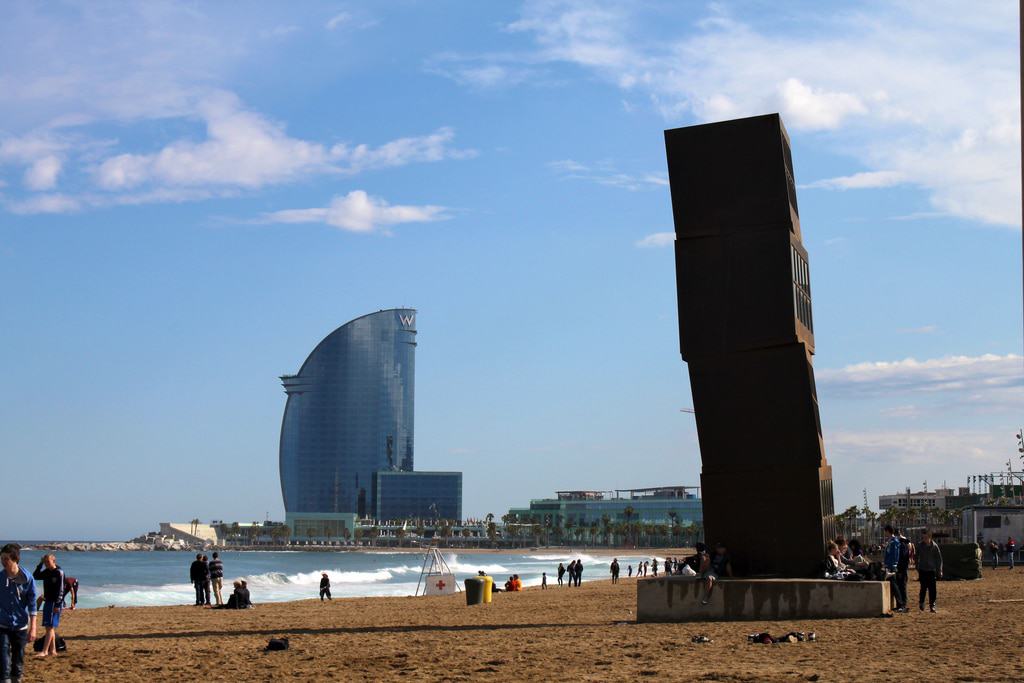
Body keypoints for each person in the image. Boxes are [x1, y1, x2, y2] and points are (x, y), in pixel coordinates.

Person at [1, 543, 37, 683]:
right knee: (3, 657)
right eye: (1, 558)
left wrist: (33, 628)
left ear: (15, 559)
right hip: (2, 624)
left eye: (6, 559)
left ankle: (16, 679)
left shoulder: (27, 579)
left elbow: (32, 605)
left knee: (18, 658)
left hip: (20, 625)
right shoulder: (0, 578)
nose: (3, 562)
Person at [32, 554, 66, 658]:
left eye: (48, 562)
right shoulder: (46, 572)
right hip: (48, 601)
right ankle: (53, 650)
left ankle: (45, 651)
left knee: (49, 627)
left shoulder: (59, 572)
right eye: (45, 562)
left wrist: (58, 604)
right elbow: (35, 576)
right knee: (50, 628)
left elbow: (61, 590)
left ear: (54, 561)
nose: (47, 564)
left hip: (54, 603)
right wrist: (40, 564)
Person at [916, 530, 942, 613]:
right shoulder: (920, 545)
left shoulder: (935, 546)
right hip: (923, 570)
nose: (924, 539)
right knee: (923, 588)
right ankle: (921, 603)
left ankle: (932, 605)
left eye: (926, 537)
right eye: (923, 537)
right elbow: (916, 556)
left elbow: (939, 559)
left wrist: (940, 570)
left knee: (932, 589)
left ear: (930, 537)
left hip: (931, 570)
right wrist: (917, 566)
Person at [883, 525, 907, 612]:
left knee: (895, 586)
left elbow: (895, 555)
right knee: (893, 586)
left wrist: (893, 565)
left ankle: (901, 605)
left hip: (892, 567)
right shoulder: (890, 541)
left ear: (888, 531)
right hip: (888, 565)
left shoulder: (894, 541)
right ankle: (899, 605)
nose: (884, 533)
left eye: (885, 531)